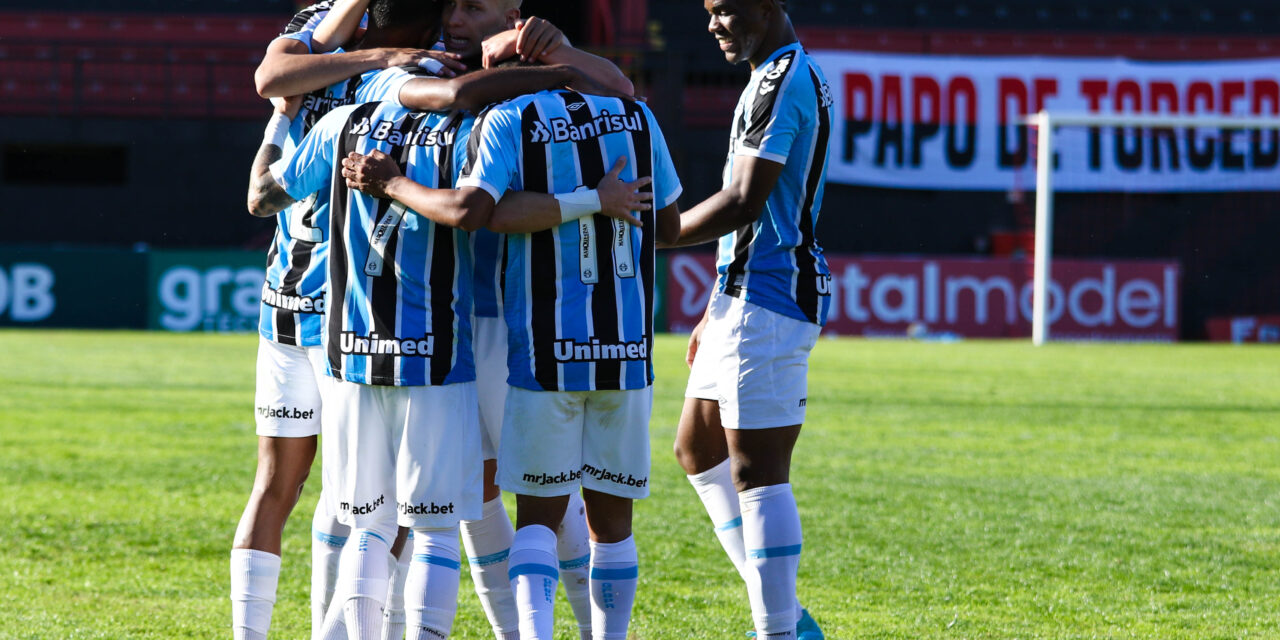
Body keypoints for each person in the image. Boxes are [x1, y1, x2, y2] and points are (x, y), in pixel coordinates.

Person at [248, 66, 650, 636]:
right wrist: (591, 197)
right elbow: (479, 210)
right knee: (437, 528)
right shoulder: (472, 132)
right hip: (440, 353)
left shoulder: (339, 124)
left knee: (369, 528)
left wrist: (280, 120)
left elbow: (261, 197)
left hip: (351, 352)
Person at [436, 86, 682, 640]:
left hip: (548, 353)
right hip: (625, 352)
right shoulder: (640, 115)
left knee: (538, 523)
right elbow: (669, 228)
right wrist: (611, 207)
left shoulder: (510, 117)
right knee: (613, 526)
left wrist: (581, 202)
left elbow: (489, 214)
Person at [663, 1, 833, 638]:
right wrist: (713, 304)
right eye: (709, 10)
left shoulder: (781, 81)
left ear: (765, 6)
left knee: (755, 472)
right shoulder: (778, 73)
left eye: (726, 9)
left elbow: (742, 201)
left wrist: (659, 233)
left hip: (771, 294)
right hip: (742, 296)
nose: (713, 23)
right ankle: (792, 621)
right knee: (696, 447)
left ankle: (778, 630)